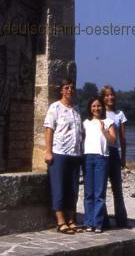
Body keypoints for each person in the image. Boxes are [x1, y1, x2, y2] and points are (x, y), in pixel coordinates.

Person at [44, 78, 83, 234]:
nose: (69, 90)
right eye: (66, 88)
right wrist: (48, 151)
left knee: (73, 189)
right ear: (61, 90)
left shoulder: (77, 110)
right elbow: (49, 129)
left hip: (75, 154)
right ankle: (61, 222)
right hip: (59, 153)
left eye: (72, 88)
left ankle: (72, 219)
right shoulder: (55, 108)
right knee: (59, 187)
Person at [83, 96, 116, 233]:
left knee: (99, 193)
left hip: (102, 158)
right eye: (93, 106)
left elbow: (113, 140)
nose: (96, 108)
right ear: (90, 108)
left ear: (102, 107)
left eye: (98, 106)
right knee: (88, 193)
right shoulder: (85, 122)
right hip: (87, 157)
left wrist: (104, 131)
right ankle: (88, 223)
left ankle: (98, 223)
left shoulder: (108, 122)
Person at [101, 85, 129, 228]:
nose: (110, 97)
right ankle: (104, 220)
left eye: (111, 95)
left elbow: (122, 139)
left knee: (117, 189)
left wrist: (123, 156)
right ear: (103, 97)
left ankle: (122, 220)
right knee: (101, 188)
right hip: (101, 153)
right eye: (106, 95)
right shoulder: (99, 113)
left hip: (114, 154)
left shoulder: (119, 114)